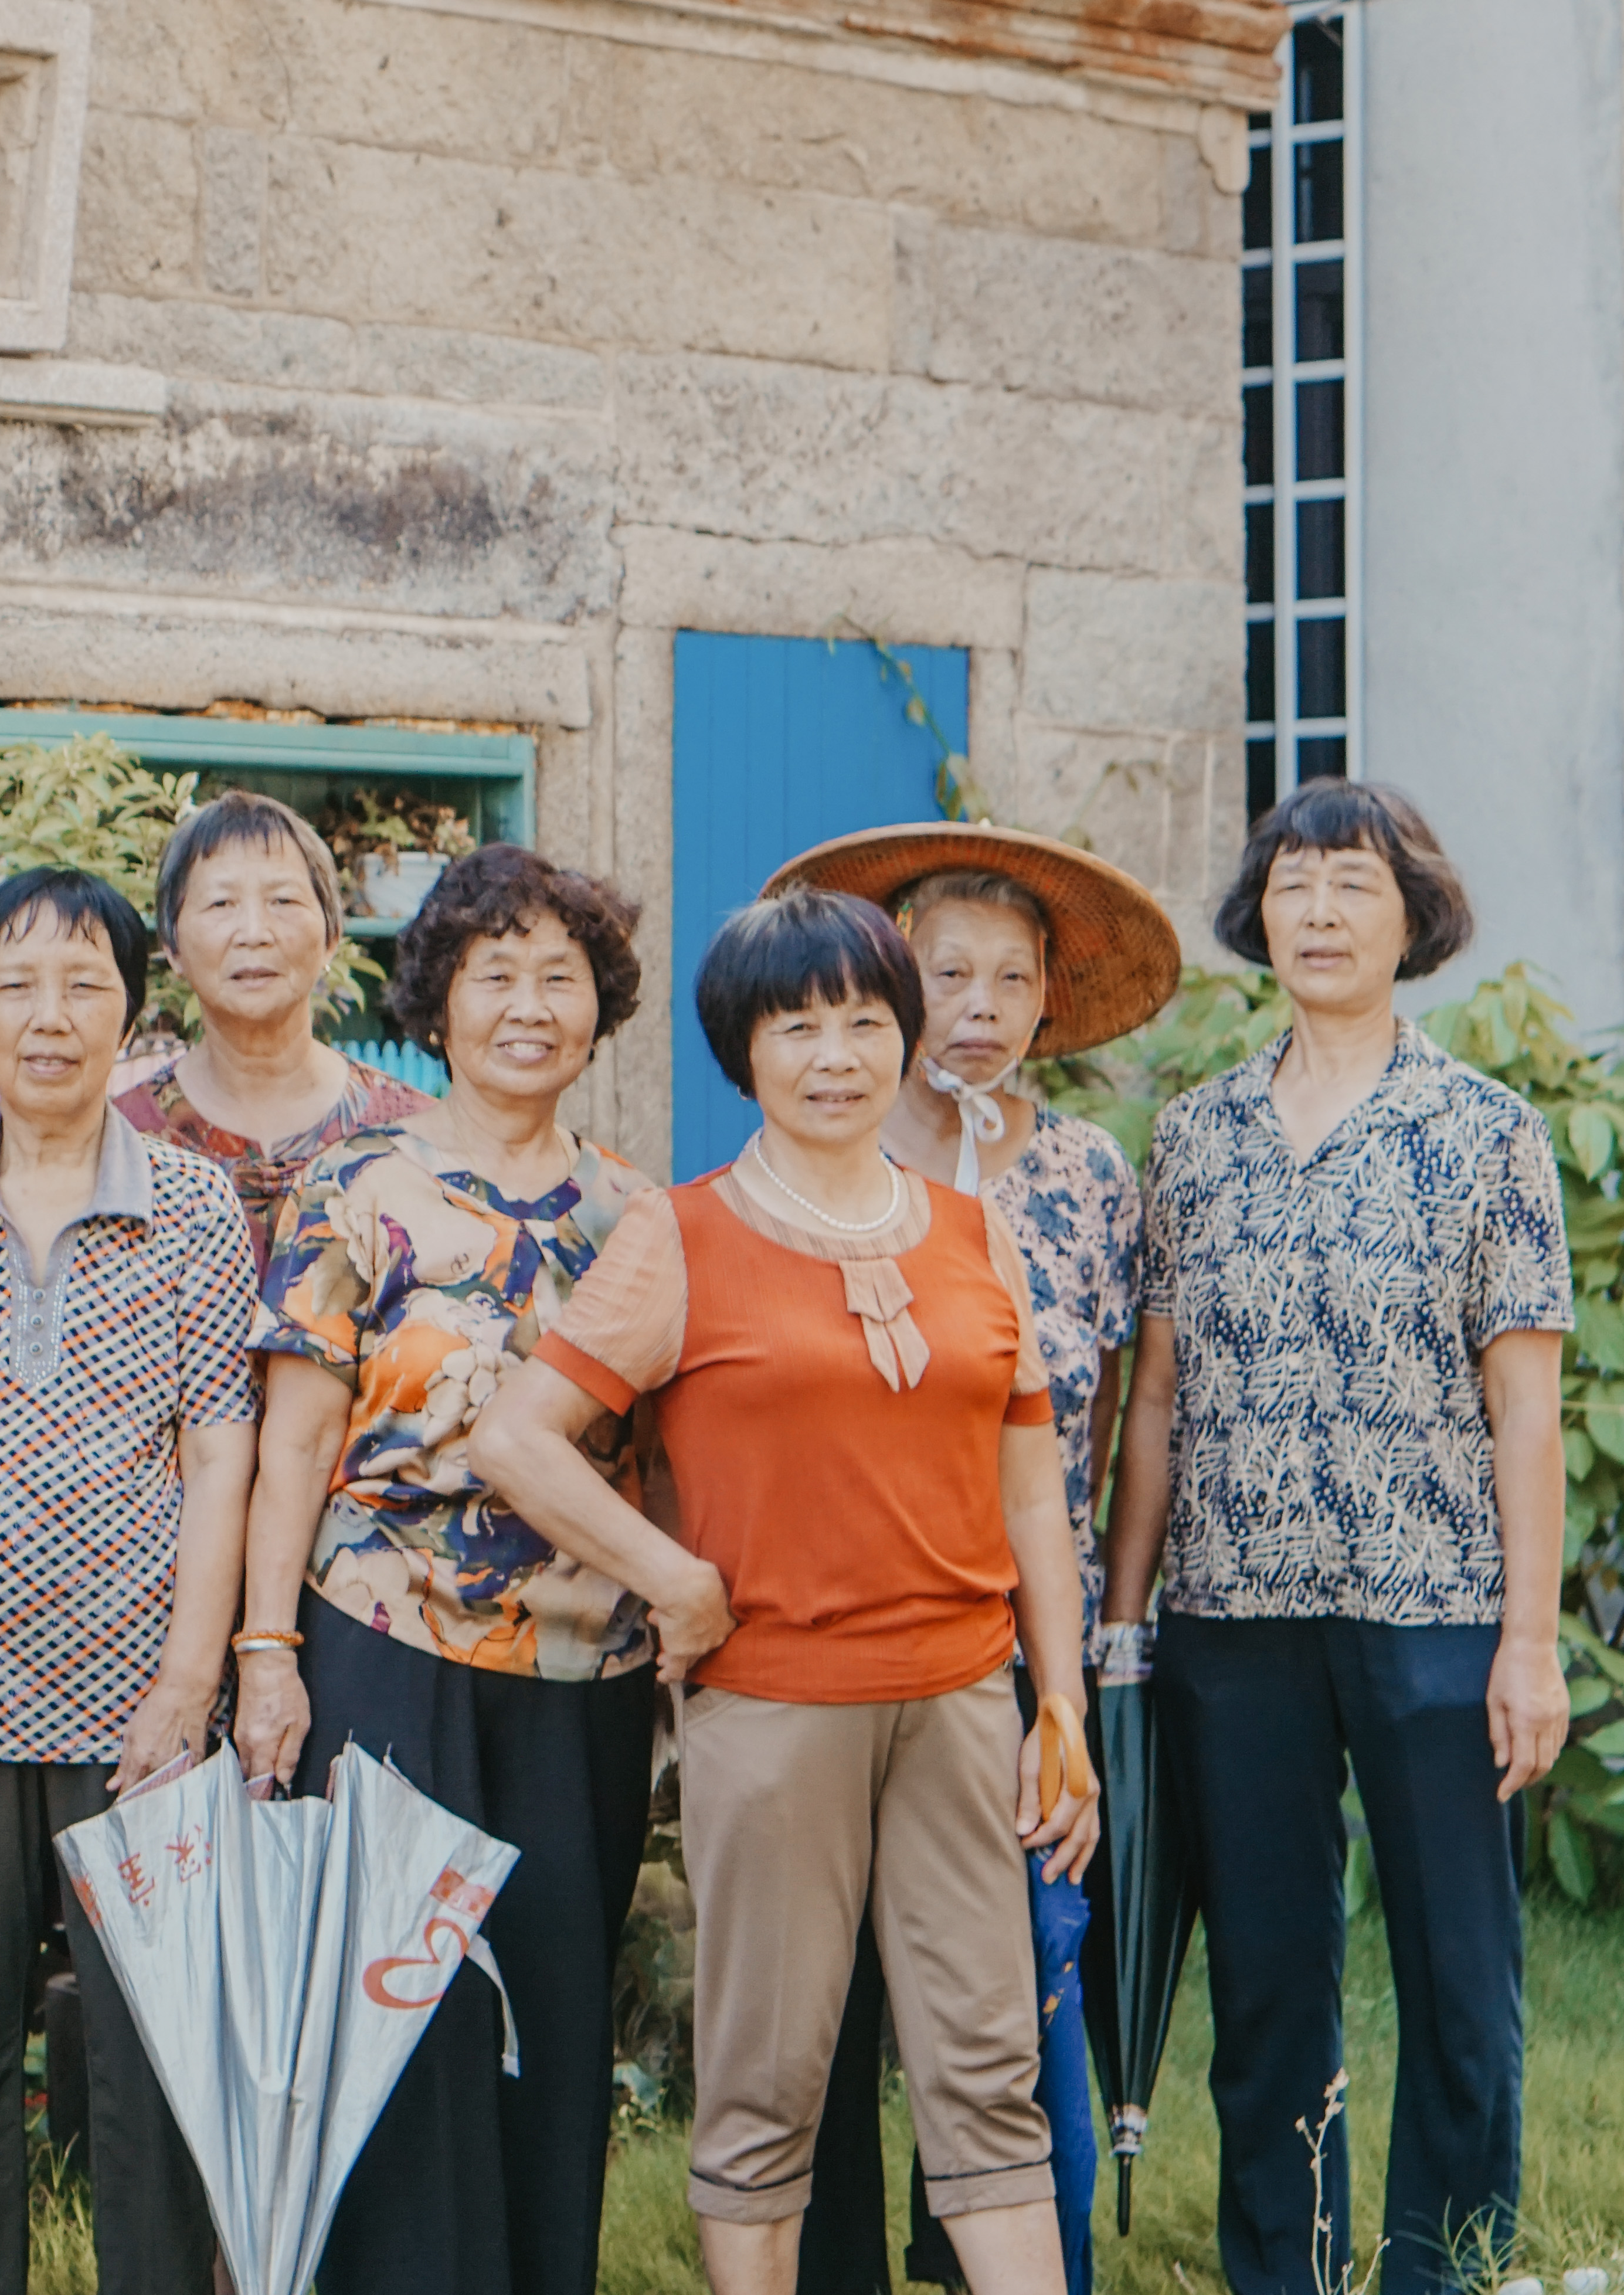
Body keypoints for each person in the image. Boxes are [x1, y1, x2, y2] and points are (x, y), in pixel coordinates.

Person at [469, 887, 1100, 2295]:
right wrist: (673, 1579)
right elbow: (514, 1438)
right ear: (741, 1052)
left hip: (958, 1711)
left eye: (865, 1020)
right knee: (765, 2080)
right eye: (795, 1024)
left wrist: (1055, 1702)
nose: (834, 1053)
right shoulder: (678, 1236)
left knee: (987, 2076)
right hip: (773, 1713)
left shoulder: (969, 1231)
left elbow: (1028, 1493)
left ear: (903, 1039)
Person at [1101, 782, 1570, 2295]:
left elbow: (1524, 1412)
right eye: (1290, 883)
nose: (1314, 912)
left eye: (1349, 885)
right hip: (1230, 1619)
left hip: (1434, 1610)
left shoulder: (1486, 1136)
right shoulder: (1194, 1137)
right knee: (1263, 1979)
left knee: (1455, 1977)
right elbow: (1154, 1402)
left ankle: (1440, 2266)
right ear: (1257, 914)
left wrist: (1529, 1639)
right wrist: (1124, 1617)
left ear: (1408, 915)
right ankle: (1278, 2267)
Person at [230, 844, 655, 2295]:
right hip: (378, 1645)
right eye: (495, 975)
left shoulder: (636, 1217)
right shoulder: (357, 1193)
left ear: (598, 1008)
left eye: (561, 977)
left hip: (583, 1671)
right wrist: (263, 1653)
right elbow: (291, 1447)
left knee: (549, 2012)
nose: (529, 1006)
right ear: (437, 999)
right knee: (398, 2018)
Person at [0, 867, 259, 2295]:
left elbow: (219, 1458)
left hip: (134, 1707)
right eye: (16, 985)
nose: (50, 1016)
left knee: (151, 2055)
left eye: (84, 983)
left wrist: (187, 1686)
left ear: (133, 1013)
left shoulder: (193, 1208)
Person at [771, 828, 1178, 2295]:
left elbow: (1120, 1416)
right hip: (836, 1626)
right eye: (949, 974)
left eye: (1013, 978)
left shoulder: (1084, 1173)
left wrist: (1089, 1662)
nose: (983, 1006)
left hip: (1023, 1640)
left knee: (1017, 1982)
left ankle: (1002, 2265)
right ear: (888, 985)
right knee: (827, 1996)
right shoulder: (820, 1154)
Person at [117, 790, 429, 1262]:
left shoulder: (413, 1136)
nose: (254, 932)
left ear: (331, 938)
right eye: (221, 904)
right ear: (172, 947)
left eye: (282, 900)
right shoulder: (121, 1142)